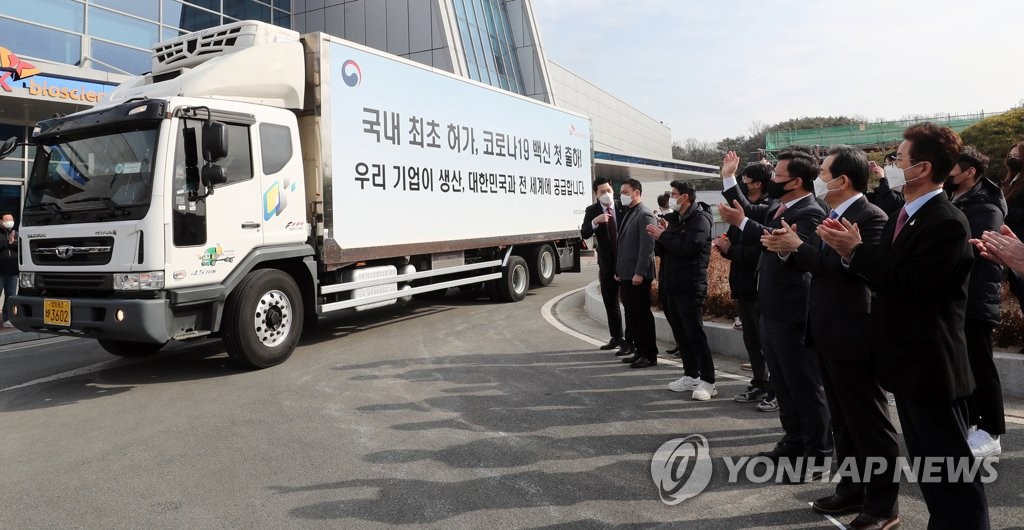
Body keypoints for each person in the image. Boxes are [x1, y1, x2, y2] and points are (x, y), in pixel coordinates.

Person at [819, 123, 989, 529]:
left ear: (923, 168)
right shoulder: (906, 214)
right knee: (933, 468)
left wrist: (855, 251)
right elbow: (891, 272)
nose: (891, 167)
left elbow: (910, 284)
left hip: (931, 365)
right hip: (908, 363)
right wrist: (857, 252)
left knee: (949, 470)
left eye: (898, 160)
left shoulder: (946, 221)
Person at [762, 146, 899, 527]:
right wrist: (793, 250)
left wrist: (798, 248)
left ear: (842, 180)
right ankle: (852, 490)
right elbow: (821, 268)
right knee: (843, 418)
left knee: (868, 420)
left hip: (854, 331)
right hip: (826, 328)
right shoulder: (835, 214)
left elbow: (854, 272)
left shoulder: (871, 217)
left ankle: (883, 504)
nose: (819, 179)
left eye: (823, 172)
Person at [718, 150, 831, 476]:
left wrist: (741, 223)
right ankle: (794, 441)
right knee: (783, 385)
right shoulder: (778, 206)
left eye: (777, 176)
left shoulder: (810, 212)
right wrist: (729, 178)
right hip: (771, 311)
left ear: (796, 181)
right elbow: (749, 211)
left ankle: (818, 454)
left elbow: (779, 243)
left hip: (794, 313)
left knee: (805, 388)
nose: (771, 181)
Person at [947, 146, 1007, 458]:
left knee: (981, 366)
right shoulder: (953, 197)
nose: (948, 171)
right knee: (965, 366)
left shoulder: (986, 206)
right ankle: (972, 424)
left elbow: (983, 250)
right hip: (956, 299)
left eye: (954, 166)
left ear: (970, 172)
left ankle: (992, 430)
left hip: (975, 298)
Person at [713, 161, 778, 412]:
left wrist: (734, 250)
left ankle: (775, 389)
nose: (742, 183)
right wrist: (726, 246)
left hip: (760, 285)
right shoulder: (744, 211)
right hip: (743, 284)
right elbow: (735, 238)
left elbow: (761, 248)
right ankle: (759, 383)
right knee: (752, 340)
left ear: (757, 183)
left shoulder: (768, 207)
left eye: (745, 179)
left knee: (767, 341)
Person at [647, 180, 715, 399]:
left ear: (685, 197)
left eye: (674, 194)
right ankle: (690, 375)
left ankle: (708, 381)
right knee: (681, 334)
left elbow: (688, 248)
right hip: (671, 284)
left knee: (694, 334)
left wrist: (664, 236)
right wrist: (661, 235)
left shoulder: (700, 220)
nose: (671, 198)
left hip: (690, 285)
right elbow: (663, 250)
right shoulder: (674, 219)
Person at [615, 178, 659, 369]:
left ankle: (649, 354)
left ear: (637, 193)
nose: (621, 195)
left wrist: (640, 272)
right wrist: (620, 271)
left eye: (625, 192)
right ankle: (639, 351)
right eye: (621, 192)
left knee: (642, 316)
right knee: (632, 315)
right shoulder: (630, 212)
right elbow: (624, 245)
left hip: (638, 276)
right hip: (626, 274)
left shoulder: (645, 214)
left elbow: (647, 247)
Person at [580, 178, 627, 353]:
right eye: (602, 192)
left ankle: (630, 341)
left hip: (625, 262)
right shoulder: (592, 210)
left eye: (608, 190)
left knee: (629, 303)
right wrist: (595, 221)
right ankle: (616, 337)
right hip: (606, 265)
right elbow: (584, 233)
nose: (606, 194)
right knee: (610, 301)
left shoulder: (623, 206)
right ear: (596, 194)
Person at [1000, 141, 1024, 310]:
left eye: (1017, 156)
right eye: (1011, 156)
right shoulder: (1010, 181)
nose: (1012, 159)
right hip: (1011, 247)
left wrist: (1007, 211)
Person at [866, 152, 905, 217]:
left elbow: (892, 200)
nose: (887, 168)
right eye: (885, 164)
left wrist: (882, 179)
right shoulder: (880, 190)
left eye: (892, 164)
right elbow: (864, 198)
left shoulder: (906, 191)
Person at [0, 212, 17, 327]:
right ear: (1, 222)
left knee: (10, 296)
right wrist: (8, 242)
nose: (10, 222)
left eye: (11, 219)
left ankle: (7, 319)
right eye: (7, 220)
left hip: (13, 271)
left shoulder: (15, 233)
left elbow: (20, 246)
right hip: (0, 271)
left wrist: (12, 243)